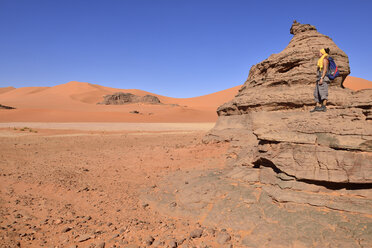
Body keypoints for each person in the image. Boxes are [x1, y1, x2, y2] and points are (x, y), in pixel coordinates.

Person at [310, 48, 330, 112]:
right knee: (316, 93)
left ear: (322, 53)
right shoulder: (320, 60)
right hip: (319, 78)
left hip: (323, 78)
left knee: (323, 93)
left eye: (319, 52)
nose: (318, 53)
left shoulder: (325, 60)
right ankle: (317, 107)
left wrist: (322, 78)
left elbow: (325, 70)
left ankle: (323, 107)